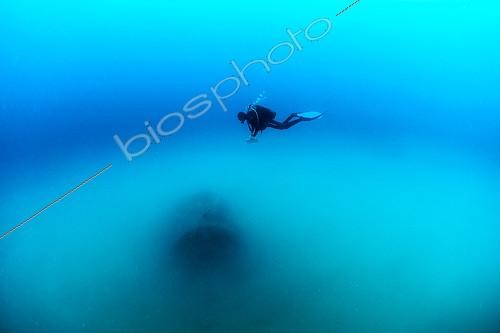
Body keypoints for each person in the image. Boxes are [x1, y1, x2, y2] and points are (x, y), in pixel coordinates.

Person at [237, 104, 319, 142]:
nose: (243, 121)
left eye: (242, 119)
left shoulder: (251, 115)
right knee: (283, 126)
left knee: (283, 127)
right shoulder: (249, 118)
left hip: (267, 120)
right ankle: (294, 116)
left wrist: (253, 136)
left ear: (243, 116)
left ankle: (298, 118)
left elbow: (257, 126)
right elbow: (255, 127)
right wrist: (252, 136)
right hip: (266, 123)